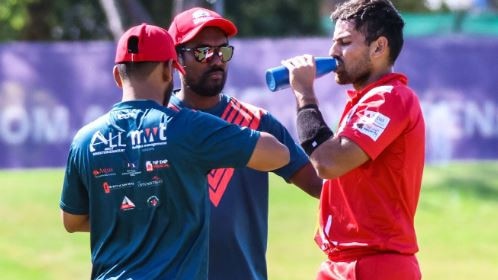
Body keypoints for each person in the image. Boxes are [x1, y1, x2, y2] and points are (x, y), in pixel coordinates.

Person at [59, 23, 290, 280]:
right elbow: (278, 154)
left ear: (117, 75)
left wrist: (135, 219)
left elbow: (72, 221)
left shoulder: (84, 140)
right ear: (169, 72)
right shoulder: (189, 128)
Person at [167, 7, 323, 280]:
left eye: (223, 51)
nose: (216, 60)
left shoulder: (257, 122)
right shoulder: (156, 124)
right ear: (177, 59)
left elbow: (319, 183)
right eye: (203, 51)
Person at [281, 0, 425, 279]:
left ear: (379, 47)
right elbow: (334, 178)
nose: (333, 52)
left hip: (376, 265)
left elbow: (329, 163)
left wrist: (304, 95)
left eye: (344, 42)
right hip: (342, 263)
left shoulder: (391, 98)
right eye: (334, 42)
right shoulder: (364, 102)